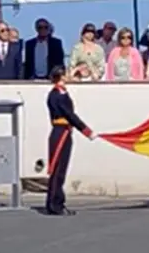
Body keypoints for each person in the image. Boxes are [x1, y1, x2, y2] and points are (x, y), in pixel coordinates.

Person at [45, 67, 94, 216]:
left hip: (65, 131)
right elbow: (69, 114)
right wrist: (85, 130)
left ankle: (55, 202)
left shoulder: (61, 92)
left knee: (61, 169)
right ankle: (55, 203)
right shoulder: (56, 94)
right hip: (60, 131)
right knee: (58, 169)